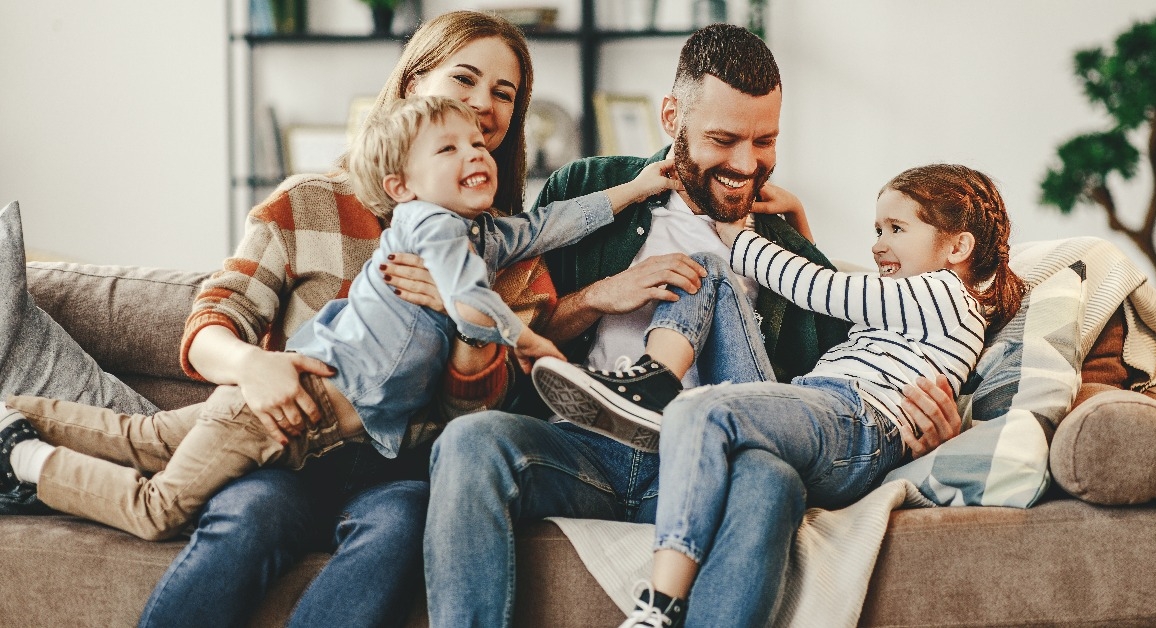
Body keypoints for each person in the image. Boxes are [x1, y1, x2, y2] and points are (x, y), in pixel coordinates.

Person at [0, 11, 546, 627]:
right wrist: (252, 366)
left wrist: (464, 311)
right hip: (286, 448)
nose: (483, 104)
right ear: (414, 82)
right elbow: (212, 323)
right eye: (465, 79)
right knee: (248, 515)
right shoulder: (307, 201)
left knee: (400, 526)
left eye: (504, 94)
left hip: (397, 469)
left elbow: (472, 421)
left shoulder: (505, 250)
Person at [421, 24, 966, 627]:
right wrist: (599, 296)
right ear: (671, 116)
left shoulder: (787, 250)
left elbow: (837, 394)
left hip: (711, 464)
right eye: (723, 139)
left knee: (771, 478)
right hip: (585, 447)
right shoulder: (591, 187)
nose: (745, 164)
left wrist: (927, 427)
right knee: (471, 442)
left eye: (765, 140)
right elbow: (520, 329)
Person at [0, 95, 680, 543]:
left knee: (144, 436)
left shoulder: (481, 233)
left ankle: (12, 413)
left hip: (305, 428)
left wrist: (637, 188)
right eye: (448, 149)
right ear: (401, 188)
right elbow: (469, 299)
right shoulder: (430, 225)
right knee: (159, 510)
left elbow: (553, 222)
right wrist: (530, 341)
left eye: (479, 143)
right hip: (283, 407)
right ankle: (26, 460)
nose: (476, 153)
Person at [561, 162, 1025, 627]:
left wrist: (738, 234)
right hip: (820, 412)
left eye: (896, 229)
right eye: (877, 229)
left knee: (700, 410)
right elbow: (837, 305)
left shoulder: (945, 293)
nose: (877, 244)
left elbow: (822, 290)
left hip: (856, 418)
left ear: (958, 247)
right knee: (706, 275)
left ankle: (659, 606)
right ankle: (653, 380)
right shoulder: (915, 305)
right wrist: (798, 217)